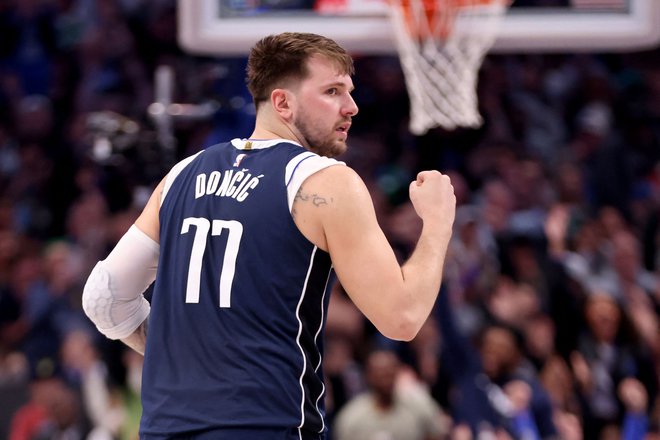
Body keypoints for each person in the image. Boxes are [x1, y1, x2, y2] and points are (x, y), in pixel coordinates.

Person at [81, 32, 456, 440]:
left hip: (165, 429)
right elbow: (401, 318)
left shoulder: (182, 175)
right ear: (282, 103)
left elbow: (103, 298)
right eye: (332, 91)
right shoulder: (325, 182)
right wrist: (437, 224)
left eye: (349, 91)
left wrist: (179, 357)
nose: (351, 107)